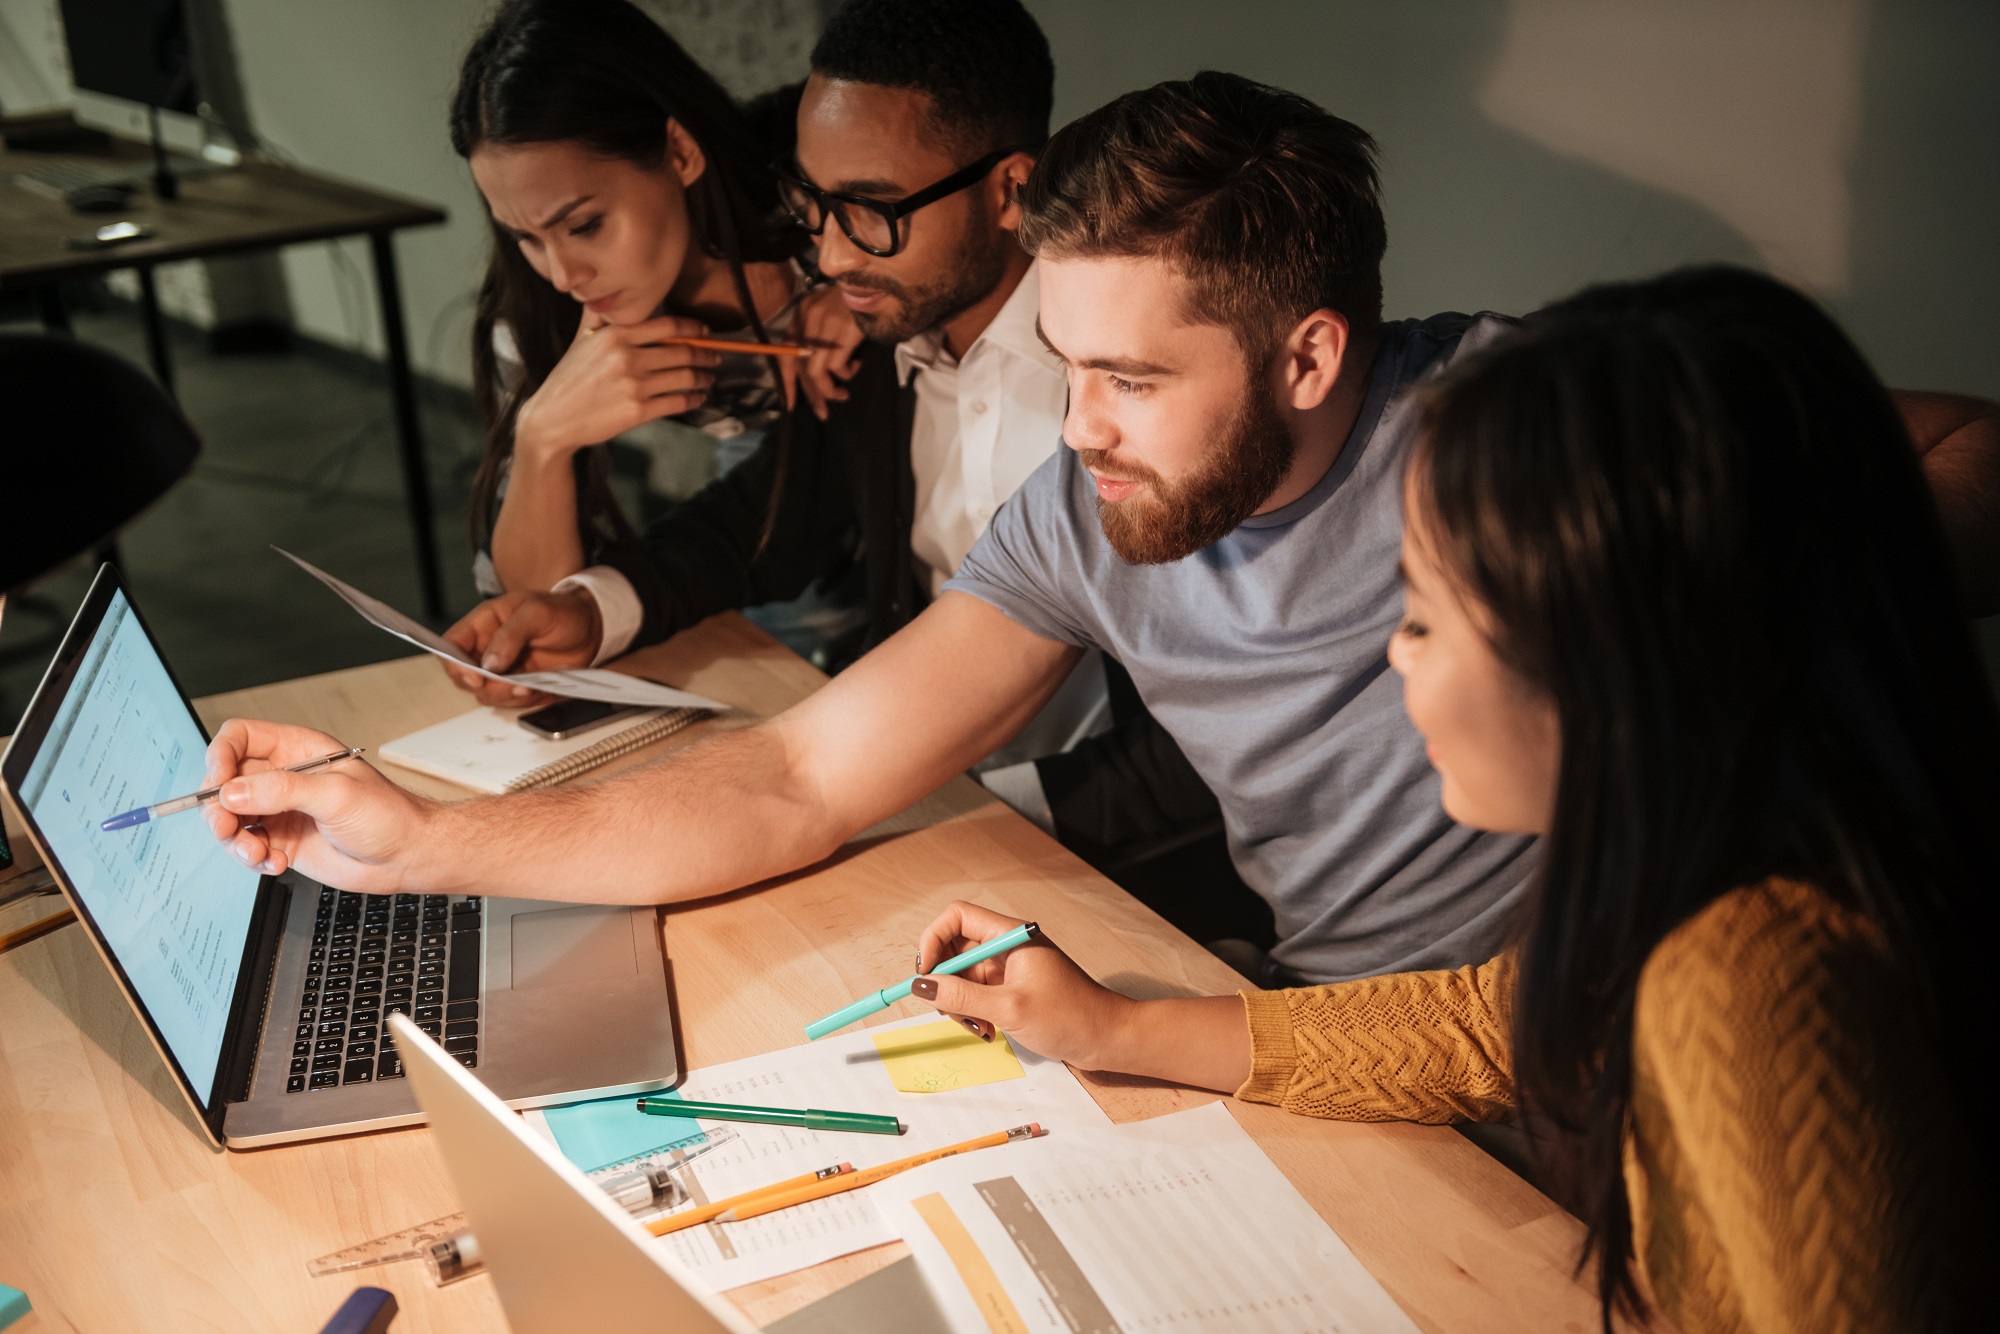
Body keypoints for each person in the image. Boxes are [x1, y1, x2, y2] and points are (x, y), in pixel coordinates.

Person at [200, 75, 2000, 989]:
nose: (1076, 432)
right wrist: (423, 838)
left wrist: (1699, 633)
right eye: (1063, 364)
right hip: (1324, 1039)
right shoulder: (1092, 505)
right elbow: (801, 775)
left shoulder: (1508, 422)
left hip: (1612, 1057)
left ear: (1308, 353)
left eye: (1133, 377)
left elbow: (1960, 452)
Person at [892, 267, 1994, 1332]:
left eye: (1423, 612)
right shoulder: (1682, 896)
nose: (1393, 653)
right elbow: (1486, 1022)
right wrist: (1112, 1025)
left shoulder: (1744, 976)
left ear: (1601, 652)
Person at [452, 0, 852, 607]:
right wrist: (544, 438)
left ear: (680, 151)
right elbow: (536, 608)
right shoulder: (538, 316)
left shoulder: (820, 200)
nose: (562, 275)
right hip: (764, 518)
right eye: (525, 238)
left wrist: (876, 292)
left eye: (584, 225)